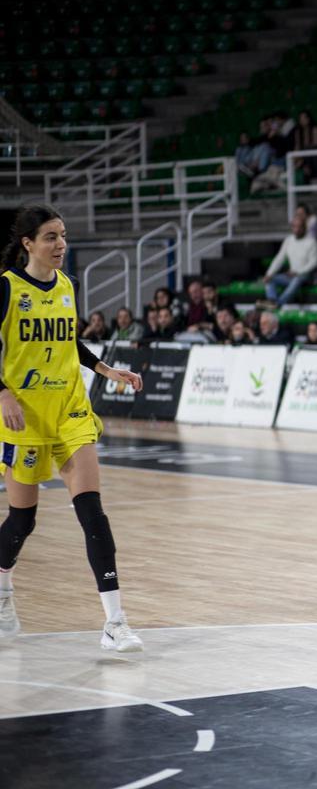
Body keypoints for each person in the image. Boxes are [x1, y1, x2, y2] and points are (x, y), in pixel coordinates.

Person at [0, 204, 146, 651]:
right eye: (50, 236)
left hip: (70, 410)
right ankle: (3, 593)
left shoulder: (67, 285)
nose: (60, 244)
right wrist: (2, 394)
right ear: (28, 244)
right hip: (24, 414)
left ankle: (115, 622)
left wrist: (105, 369)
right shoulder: (6, 289)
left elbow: (69, 341)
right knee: (22, 520)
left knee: (92, 512)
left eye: (62, 235)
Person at [264, 207, 317, 307]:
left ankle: (279, 303)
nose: (297, 229)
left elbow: (314, 263)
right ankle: (272, 300)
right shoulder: (289, 240)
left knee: (297, 279)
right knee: (270, 279)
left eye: (300, 227)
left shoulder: (312, 241)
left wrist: (297, 272)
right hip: (291, 275)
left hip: (306, 276)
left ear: (305, 227)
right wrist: (269, 273)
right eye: (295, 227)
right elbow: (279, 259)